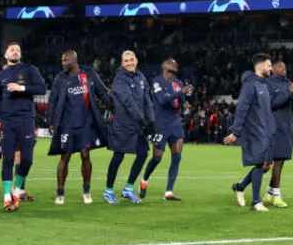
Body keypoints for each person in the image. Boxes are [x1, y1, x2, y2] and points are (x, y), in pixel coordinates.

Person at [48, 49, 110, 205]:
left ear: (73, 60)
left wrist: (116, 102)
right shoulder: (60, 78)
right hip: (67, 125)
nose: (63, 63)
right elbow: (53, 101)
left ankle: (87, 191)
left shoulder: (88, 74)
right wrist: (51, 122)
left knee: (85, 155)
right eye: (62, 60)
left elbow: (103, 92)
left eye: (65, 60)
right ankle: (60, 193)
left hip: (86, 124)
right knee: (65, 158)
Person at [0, 41, 47, 211]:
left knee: (27, 159)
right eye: (11, 50)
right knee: (8, 159)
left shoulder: (30, 69)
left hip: (26, 119)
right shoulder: (0, 75)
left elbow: (41, 88)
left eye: (18, 49)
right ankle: (7, 197)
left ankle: (17, 189)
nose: (15, 52)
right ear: (6, 55)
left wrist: (21, 87)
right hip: (7, 121)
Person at [223, 53, 276, 212]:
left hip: (266, 131)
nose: (270, 68)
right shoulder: (250, 84)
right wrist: (236, 132)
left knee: (267, 165)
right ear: (259, 66)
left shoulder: (264, 84)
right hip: (254, 131)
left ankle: (240, 187)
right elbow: (242, 109)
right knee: (260, 163)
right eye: (268, 65)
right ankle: (256, 202)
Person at [104, 50, 155, 205]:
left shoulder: (140, 77)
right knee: (118, 156)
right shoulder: (120, 79)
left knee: (142, 154)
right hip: (123, 125)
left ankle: (128, 188)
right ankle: (108, 191)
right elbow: (128, 103)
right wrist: (143, 121)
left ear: (136, 60)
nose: (129, 62)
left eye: (131, 59)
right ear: (122, 63)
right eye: (126, 60)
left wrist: (151, 122)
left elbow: (147, 100)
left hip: (138, 125)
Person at [141, 58, 192, 201]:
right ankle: (144, 180)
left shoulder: (178, 83)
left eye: (174, 66)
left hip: (175, 123)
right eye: (170, 66)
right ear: (164, 67)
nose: (172, 68)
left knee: (177, 156)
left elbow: (181, 100)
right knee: (157, 158)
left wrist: (186, 103)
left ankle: (169, 191)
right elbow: (163, 100)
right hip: (160, 124)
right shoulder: (157, 81)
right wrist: (180, 92)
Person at [263, 59, 293, 207]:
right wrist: (289, 91)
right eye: (280, 66)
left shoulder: (288, 83)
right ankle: (277, 195)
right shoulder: (268, 84)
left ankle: (268, 193)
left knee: (281, 161)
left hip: (286, 127)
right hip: (274, 126)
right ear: (272, 69)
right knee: (275, 162)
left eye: (284, 66)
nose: (283, 68)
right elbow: (273, 103)